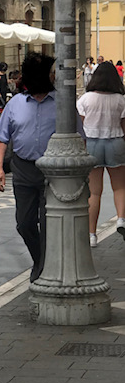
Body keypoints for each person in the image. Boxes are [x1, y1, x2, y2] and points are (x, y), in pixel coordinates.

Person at [0, 52, 56, 282]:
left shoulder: (61, 104)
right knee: (25, 223)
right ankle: (39, 259)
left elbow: (80, 137)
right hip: (23, 169)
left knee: (51, 224)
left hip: (53, 173)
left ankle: (45, 268)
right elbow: (2, 138)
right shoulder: (15, 104)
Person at [77, 61, 125, 247]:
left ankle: (91, 235)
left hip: (92, 143)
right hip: (115, 141)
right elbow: (124, 126)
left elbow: (80, 127)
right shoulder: (121, 99)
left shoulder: (86, 99)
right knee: (120, 187)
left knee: (94, 192)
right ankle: (121, 219)